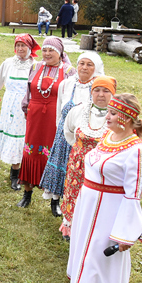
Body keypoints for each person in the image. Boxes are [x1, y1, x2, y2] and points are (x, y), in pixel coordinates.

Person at [65, 93, 142, 283]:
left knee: (100, 263)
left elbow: (133, 195)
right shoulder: (107, 137)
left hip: (108, 213)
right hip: (88, 207)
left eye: (113, 113)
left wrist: (125, 233)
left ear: (127, 118)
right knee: (84, 256)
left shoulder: (137, 151)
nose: (107, 117)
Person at [39, 51, 104, 218]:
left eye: (89, 64)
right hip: (63, 132)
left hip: (86, 137)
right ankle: (55, 201)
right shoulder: (66, 84)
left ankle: (78, 205)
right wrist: (58, 130)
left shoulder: (99, 87)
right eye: (82, 63)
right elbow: (59, 108)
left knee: (79, 171)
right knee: (61, 167)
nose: (84, 67)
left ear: (96, 68)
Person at [17, 37, 75, 208]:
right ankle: (27, 193)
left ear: (60, 52)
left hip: (55, 118)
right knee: (30, 153)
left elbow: (71, 96)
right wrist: (26, 108)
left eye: (52, 50)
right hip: (34, 116)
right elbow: (27, 92)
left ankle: (54, 200)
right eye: (45, 50)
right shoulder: (35, 67)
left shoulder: (69, 71)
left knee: (54, 155)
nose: (47, 54)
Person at [60, 75, 115, 240]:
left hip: (102, 168)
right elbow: (68, 131)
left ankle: (94, 229)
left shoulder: (117, 116)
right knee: (74, 193)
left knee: (96, 198)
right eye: (97, 90)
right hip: (77, 164)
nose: (100, 94)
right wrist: (80, 151)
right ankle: (70, 227)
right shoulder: (79, 110)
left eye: (106, 91)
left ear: (113, 94)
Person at [0, 34, 40, 190]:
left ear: (30, 48)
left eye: (23, 45)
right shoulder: (8, 63)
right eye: (17, 45)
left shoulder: (36, 66)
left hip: (28, 106)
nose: (20, 49)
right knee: (14, 138)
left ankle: (26, 172)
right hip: (10, 105)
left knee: (25, 138)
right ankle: (15, 173)